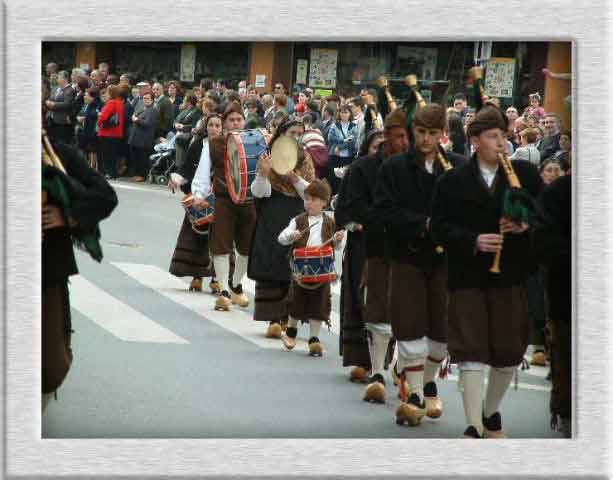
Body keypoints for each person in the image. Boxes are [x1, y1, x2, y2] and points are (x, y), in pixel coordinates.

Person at [430, 105, 542, 438]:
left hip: (511, 274)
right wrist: (473, 240)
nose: (501, 143)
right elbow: (438, 227)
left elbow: (546, 217)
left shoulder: (525, 175)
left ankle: (490, 410)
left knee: (509, 351)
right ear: (476, 140)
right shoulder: (453, 180)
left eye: (504, 136)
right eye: (493, 136)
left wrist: (525, 225)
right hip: (467, 274)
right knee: (470, 346)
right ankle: (472, 425)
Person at [373, 104, 465, 420]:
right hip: (406, 256)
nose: (426, 139)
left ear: (444, 134)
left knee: (441, 336)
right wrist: (422, 224)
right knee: (409, 326)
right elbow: (385, 210)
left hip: (445, 259)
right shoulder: (394, 168)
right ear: (414, 132)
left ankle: (426, 385)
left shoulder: (457, 168)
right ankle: (412, 394)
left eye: (433, 133)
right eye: (421, 133)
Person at [42, 128, 118, 412]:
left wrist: (67, 215)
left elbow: (105, 196)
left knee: (50, 366)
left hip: (45, 272)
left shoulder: (59, 153)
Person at [249, 118, 316, 338]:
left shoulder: (305, 159)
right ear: (281, 134)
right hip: (272, 212)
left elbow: (312, 194)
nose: (296, 137)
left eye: (300, 133)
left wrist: (294, 178)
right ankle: (273, 318)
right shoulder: (268, 156)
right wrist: (263, 173)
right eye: (292, 132)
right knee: (272, 263)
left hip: (296, 214)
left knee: (293, 266)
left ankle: (289, 317)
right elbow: (259, 192)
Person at [191, 102, 254, 311]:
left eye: (239, 119)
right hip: (223, 199)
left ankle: (236, 285)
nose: (236, 123)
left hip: (248, 201)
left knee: (245, 248)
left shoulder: (253, 141)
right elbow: (203, 170)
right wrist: (199, 194)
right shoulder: (215, 143)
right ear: (225, 123)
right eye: (231, 120)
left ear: (244, 121)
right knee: (221, 245)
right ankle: (225, 291)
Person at [334, 129, 385, 383]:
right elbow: (343, 209)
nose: (382, 152)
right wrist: (357, 224)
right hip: (362, 244)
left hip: (390, 245)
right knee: (359, 297)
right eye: (377, 147)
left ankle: (392, 364)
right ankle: (362, 361)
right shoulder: (358, 170)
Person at [278, 179, 344, 356]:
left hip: (322, 270)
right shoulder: (298, 221)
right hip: (301, 270)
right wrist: (292, 235)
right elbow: (281, 238)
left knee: (320, 303)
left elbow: (336, 248)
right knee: (296, 300)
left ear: (324, 202)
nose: (309, 203)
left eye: (314, 199)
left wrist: (338, 240)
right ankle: (291, 331)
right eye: (306, 199)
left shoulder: (329, 222)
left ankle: (314, 339)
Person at [533, 173, 572, 437]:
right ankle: (565, 409)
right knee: (567, 353)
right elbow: (545, 241)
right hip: (568, 288)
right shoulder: (559, 192)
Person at [169, 114, 224, 293]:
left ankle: (217, 279)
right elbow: (186, 167)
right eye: (211, 125)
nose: (214, 128)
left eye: (218, 125)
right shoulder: (199, 144)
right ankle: (197, 277)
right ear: (206, 127)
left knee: (219, 241)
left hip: (220, 199)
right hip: (198, 197)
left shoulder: (227, 145)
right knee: (197, 239)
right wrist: (177, 179)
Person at [96, 84, 126, 179]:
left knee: (106, 155)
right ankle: (113, 173)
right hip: (117, 133)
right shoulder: (120, 103)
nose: (106, 94)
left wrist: (99, 121)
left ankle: (108, 172)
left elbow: (103, 117)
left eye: (108, 92)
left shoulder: (111, 102)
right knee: (113, 155)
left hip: (107, 132)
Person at [127, 91, 158, 182]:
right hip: (136, 138)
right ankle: (137, 174)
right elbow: (134, 115)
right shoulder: (142, 108)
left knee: (142, 158)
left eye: (148, 98)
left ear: (152, 100)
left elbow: (147, 123)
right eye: (144, 98)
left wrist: (137, 120)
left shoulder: (152, 110)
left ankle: (142, 175)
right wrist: (135, 118)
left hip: (144, 139)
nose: (145, 100)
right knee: (136, 157)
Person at [327, 105, 357, 195]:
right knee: (333, 178)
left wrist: (340, 146)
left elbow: (353, 141)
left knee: (345, 179)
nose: (343, 114)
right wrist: (344, 140)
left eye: (346, 112)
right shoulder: (334, 125)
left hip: (348, 157)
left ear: (350, 114)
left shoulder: (354, 126)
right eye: (342, 112)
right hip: (335, 156)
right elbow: (330, 138)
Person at [173, 93, 203, 169]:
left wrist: (183, 127)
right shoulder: (184, 110)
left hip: (188, 134)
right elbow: (176, 120)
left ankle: (179, 166)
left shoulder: (197, 111)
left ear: (189, 102)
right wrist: (176, 124)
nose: (183, 101)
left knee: (179, 139)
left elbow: (195, 125)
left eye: (184, 100)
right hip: (179, 132)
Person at [75, 86, 102, 170]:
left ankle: (95, 167)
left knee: (94, 149)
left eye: (86, 95)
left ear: (92, 97)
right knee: (90, 149)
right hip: (87, 131)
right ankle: (91, 165)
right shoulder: (89, 104)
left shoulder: (98, 104)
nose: (84, 96)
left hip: (95, 132)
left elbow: (96, 115)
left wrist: (86, 117)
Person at [45, 70, 76, 144]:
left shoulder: (70, 90)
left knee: (62, 142)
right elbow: (51, 98)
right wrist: (48, 102)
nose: (57, 79)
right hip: (52, 118)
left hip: (62, 121)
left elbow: (67, 104)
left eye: (59, 78)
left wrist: (54, 104)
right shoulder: (57, 88)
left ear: (64, 79)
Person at [302, 113, 328, 179]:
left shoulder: (302, 133)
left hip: (313, 160)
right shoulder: (318, 131)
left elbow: (302, 149)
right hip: (323, 160)